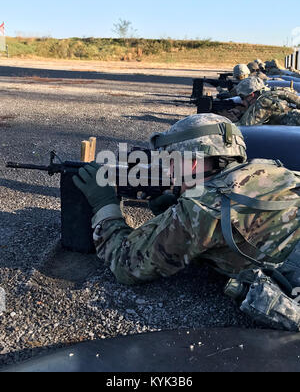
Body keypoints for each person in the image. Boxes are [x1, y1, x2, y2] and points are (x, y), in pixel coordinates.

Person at [73, 114, 300, 331]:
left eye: (171, 161)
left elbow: (127, 264)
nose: (168, 171)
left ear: (191, 164)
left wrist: (104, 204)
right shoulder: (273, 170)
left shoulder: (203, 207)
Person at [235, 76, 300, 126]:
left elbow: (246, 126)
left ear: (252, 95)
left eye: (243, 97)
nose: (242, 101)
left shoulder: (263, 102)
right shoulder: (273, 93)